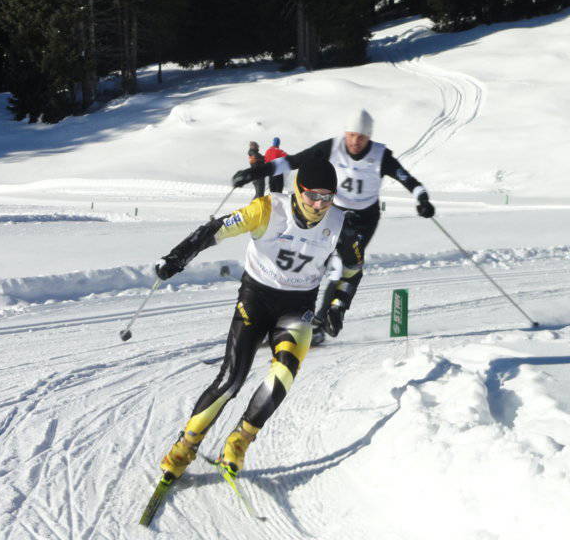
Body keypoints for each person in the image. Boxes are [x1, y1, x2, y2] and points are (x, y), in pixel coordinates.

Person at [153, 158, 362, 483]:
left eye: (327, 197)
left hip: (298, 306)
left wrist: (338, 306)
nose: (319, 205)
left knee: (284, 373)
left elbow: (352, 271)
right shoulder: (267, 209)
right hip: (257, 299)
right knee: (231, 379)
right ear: (298, 189)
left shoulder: (339, 225)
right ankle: (185, 446)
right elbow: (217, 230)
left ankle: (240, 440)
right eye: (312, 196)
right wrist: (178, 257)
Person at [232, 108, 435, 344]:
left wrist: (422, 199)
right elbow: (293, 161)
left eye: (361, 137)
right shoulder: (332, 147)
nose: (355, 142)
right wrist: (253, 172)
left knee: (342, 267)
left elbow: (408, 179)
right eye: (351, 135)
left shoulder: (381, 155)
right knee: (310, 265)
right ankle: (282, 319)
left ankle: (322, 322)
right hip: (331, 214)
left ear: (369, 137)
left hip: (363, 220)